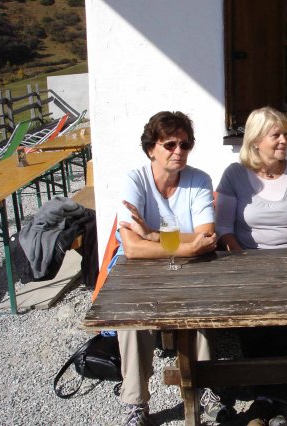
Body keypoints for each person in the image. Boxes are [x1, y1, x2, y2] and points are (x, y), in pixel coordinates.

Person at [116, 111, 223, 426]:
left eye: (185, 144)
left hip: (189, 268)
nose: (179, 151)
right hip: (142, 269)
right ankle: (135, 402)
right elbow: (131, 248)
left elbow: (207, 236)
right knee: (131, 317)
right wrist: (186, 246)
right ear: (151, 148)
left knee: (200, 307)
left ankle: (205, 387)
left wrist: (151, 234)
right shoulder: (134, 180)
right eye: (170, 144)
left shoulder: (198, 179)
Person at [215, 106, 287, 425]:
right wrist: (244, 261)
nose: (284, 140)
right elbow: (224, 228)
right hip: (246, 263)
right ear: (256, 140)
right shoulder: (234, 174)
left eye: (286, 134)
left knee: (286, 319)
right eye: (276, 135)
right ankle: (269, 399)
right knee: (253, 322)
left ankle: (268, 402)